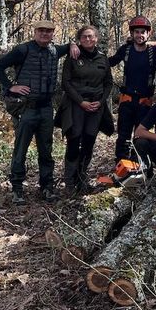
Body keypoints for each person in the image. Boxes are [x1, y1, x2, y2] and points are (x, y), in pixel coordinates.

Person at [0, 20, 79, 205]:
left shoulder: (55, 50)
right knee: (20, 150)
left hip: (46, 109)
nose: (44, 34)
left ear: (53, 33)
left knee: (46, 150)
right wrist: (11, 86)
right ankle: (17, 189)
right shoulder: (22, 50)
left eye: (48, 31)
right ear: (35, 32)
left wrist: (72, 44)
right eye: (41, 30)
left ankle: (47, 187)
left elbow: (70, 45)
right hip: (26, 109)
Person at [55, 25, 114, 196]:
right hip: (76, 104)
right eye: (84, 37)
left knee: (89, 140)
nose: (88, 39)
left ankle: (82, 179)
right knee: (74, 140)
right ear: (79, 39)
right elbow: (65, 83)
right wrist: (81, 102)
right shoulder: (73, 56)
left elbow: (108, 83)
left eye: (91, 36)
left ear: (96, 38)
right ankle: (69, 182)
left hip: (96, 106)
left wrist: (101, 102)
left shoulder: (103, 58)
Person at [108, 16, 156, 162]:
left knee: (141, 136)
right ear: (132, 33)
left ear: (149, 33)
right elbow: (109, 62)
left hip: (145, 102)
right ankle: (121, 165)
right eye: (136, 32)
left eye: (143, 32)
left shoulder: (155, 52)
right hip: (126, 101)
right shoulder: (125, 50)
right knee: (123, 136)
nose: (140, 35)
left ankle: (139, 165)